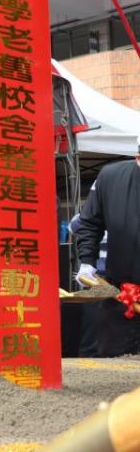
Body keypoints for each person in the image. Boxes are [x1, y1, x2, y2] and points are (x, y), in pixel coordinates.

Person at [74, 135, 140, 357]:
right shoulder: (110, 178)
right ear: (137, 156)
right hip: (119, 291)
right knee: (111, 360)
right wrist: (87, 262)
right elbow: (89, 223)